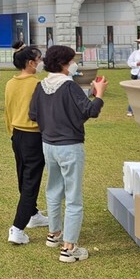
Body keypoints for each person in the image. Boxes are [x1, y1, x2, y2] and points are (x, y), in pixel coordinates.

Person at [29, 45, 107, 263]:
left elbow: (33, 114)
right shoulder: (69, 86)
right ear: (65, 63)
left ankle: (54, 234)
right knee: (73, 196)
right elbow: (90, 111)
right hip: (70, 146)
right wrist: (99, 94)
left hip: (49, 144)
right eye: (73, 61)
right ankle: (69, 248)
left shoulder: (41, 86)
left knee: (53, 189)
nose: (75, 65)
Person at [4, 46, 49, 245]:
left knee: (24, 177)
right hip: (33, 136)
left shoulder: (10, 84)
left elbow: (8, 111)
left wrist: (12, 133)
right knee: (31, 181)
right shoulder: (38, 85)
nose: (40, 63)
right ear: (31, 63)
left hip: (17, 135)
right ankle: (17, 227)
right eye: (39, 59)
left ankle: (32, 213)